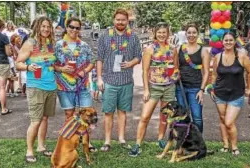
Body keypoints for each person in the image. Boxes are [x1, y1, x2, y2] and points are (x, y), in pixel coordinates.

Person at [128, 22, 179, 157]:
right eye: (159, 32)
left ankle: (160, 139)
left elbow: (176, 68)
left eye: (164, 32)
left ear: (168, 33)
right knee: (145, 116)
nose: (162, 35)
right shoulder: (150, 49)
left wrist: (175, 74)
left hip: (169, 87)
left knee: (164, 116)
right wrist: (146, 90)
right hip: (154, 87)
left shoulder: (173, 49)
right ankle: (137, 144)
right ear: (155, 33)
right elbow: (144, 71)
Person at [97, 8, 142, 151]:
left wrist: (130, 63)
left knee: (122, 111)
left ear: (127, 21)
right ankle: (107, 141)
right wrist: (99, 78)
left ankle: (122, 139)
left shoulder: (133, 37)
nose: (120, 22)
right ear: (113, 20)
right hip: (109, 81)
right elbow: (99, 59)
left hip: (126, 81)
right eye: (118, 19)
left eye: (123, 20)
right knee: (108, 112)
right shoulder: (105, 36)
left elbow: (138, 57)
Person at [16, 16, 57, 163]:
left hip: (51, 86)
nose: (46, 29)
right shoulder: (30, 43)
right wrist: (28, 67)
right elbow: (18, 63)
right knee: (35, 120)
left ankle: (41, 146)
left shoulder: (51, 44)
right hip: (36, 87)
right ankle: (29, 150)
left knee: (45, 118)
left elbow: (52, 63)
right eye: (43, 26)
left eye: (48, 26)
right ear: (37, 27)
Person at [54, 17, 97, 152]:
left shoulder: (84, 45)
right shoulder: (58, 45)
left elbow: (92, 61)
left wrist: (85, 71)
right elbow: (52, 64)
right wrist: (62, 69)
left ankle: (87, 142)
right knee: (69, 115)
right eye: (71, 27)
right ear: (67, 27)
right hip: (64, 86)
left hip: (82, 85)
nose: (74, 30)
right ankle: (70, 141)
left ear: (80, 29)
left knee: (87, 114)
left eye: (77, 28)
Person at [209, 32, 250, 156]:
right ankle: (225, 145)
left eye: (230, 40)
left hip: (236, 94)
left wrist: (249, 88)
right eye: (226, 40)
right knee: (222, 120)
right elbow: (214, 74)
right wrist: (212, 88)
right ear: (222, 42)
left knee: (229, 122)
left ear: (234, 41)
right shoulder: (218, 57)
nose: (228, 42)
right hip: (220, 93)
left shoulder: (242, 56)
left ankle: (234, 146)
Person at [175, 23, 210, 133]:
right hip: (180, 88)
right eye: (189, 32)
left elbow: (206, 73)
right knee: (181, 117)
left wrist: (202, 90)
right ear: (185, 34)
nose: (191, 35)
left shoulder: (203, 51)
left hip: (195, 88)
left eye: (194, 32)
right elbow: (176, 68)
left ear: (198, 34)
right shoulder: (179, 48)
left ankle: (199, 144)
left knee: (197, 118)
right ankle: (183, 144)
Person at [0, 17, 13, 114]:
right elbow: (8, 53)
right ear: (1, 26)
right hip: (2, 63)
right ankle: (3, 109)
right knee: (2, 87)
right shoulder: (3, 37)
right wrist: (11, 51)